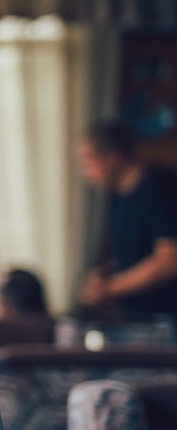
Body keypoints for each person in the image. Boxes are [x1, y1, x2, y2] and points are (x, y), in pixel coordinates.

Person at [77, 122, 177, 318]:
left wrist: (109, 288)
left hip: (166, 320)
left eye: (87, 162)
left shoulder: (161, 187)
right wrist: (103, 275)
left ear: (112, 158)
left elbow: (170, 260)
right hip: (135, 315)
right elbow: (134, 254)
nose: (85, 173)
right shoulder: (120, 197)